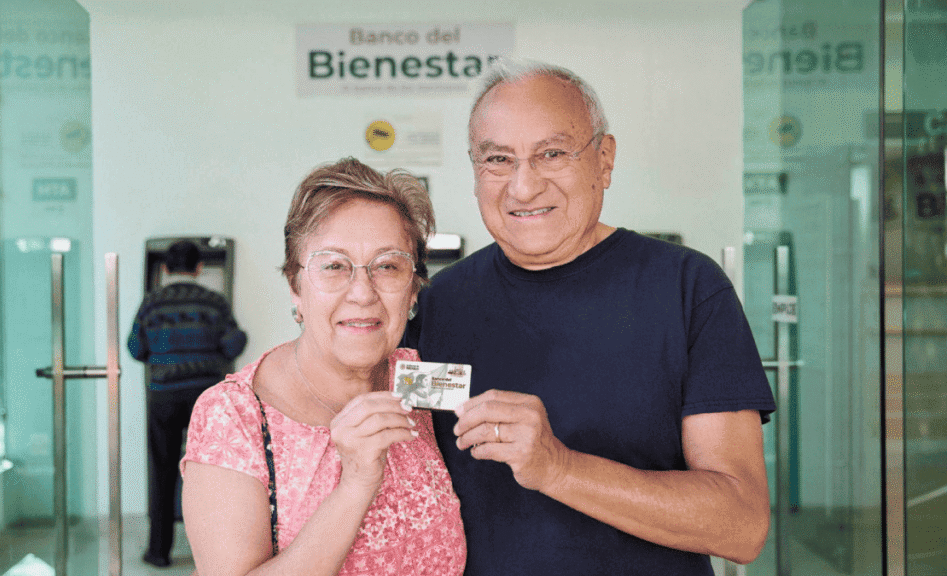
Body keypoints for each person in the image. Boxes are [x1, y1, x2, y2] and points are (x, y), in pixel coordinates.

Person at [404, 58, 777, 575]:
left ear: (604, 160)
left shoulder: (686, 289)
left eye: (552, 154)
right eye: (498, 160)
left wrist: (558, 468)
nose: (523, 187)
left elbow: (741, 525)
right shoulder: (439, 304)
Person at [180, 158, 466, 576]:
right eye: (333, 266)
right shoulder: (233, 416)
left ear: (413, 290)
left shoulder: (416, 377)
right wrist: (356, 482)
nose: (363, 293)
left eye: (388, 265)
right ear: (295, 287)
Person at [128, 239, 248, 568]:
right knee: (210, 473)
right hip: (206, 398)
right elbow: (234, 343)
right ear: (199, 268)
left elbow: (135, 347)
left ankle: (158, 551)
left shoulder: (152, 303)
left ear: (166, 268)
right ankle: (211, 554)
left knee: (162, 469)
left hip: (164, 395)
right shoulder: (214, 302)